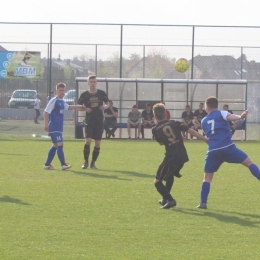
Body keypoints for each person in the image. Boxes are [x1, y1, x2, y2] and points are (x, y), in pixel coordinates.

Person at [197, 96, 260, 209]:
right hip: (227, 147)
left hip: (213, 150)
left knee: (207, 178)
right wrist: (240, 116)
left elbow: (210, 135)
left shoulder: (203, 121)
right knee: (249, 163)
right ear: (217, 105)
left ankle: (203, 202)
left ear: (207, 107)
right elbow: (230, 117)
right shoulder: (222, 113)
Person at [152, 103, 208, 209]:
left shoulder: (155, 129)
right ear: (166, 114)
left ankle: (170, 200)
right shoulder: (175, 123)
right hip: (182, 156)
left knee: (157, 181)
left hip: (171, 157)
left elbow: (161, 143)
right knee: (170, 175)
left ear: (155, 116)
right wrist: (206, 139)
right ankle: (165, 198)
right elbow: (191, 131)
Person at [43, 82, 86, 170]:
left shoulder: (62, 101)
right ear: (57, 91)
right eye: (60, 90)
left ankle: (47, 164)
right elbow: (46, 112)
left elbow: (68, 107)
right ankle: (63, 164)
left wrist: (79, 106)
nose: (62, 92)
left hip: (58, 127)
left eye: (63, 90)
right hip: (54, 126)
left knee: (55, 145)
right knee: (60, 144)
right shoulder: (54, 100)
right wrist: (46, 124)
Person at [78, 75, 110, 169]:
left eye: (94, 81)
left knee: (97, 143)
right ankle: (85, 162)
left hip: (99, 121)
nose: (92, 83)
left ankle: (93, 163)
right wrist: (85, 109)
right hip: (89, 121)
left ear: (96, 83)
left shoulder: (102, 93)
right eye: (91, 82)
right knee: (88, 141)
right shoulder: (84, 95)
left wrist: (105, 107)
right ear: (88, 83)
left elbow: (108, 103)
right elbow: (79, 107)